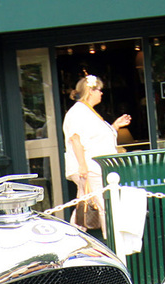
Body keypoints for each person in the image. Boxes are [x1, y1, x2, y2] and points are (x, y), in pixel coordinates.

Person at [62, 74, 131, 232]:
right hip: (90, 167)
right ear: (90, 91)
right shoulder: (78, 112)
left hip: (94, 167)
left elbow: (96, 138)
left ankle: (76, 243)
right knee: (104, 205)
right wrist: (83, 166)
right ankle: (113, 243)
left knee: (84, 206)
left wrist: (115, 126)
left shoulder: (89, 112)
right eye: (99, 89)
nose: (101, 93)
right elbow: (76, 139)